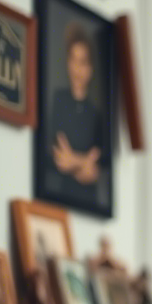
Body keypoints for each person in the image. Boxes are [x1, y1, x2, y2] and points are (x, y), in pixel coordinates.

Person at [44, 22, 105, 206]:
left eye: (83, 62)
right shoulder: (58, 100)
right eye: (73, 60)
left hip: (89, 199)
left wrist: (73, 160)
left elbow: (95, 170)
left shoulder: (95, 115)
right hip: (60, 195)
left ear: (91, 67)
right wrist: (83, 161)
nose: (77, 69)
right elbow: (59, 159)